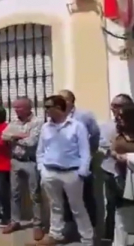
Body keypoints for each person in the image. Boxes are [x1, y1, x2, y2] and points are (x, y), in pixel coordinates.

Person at [35, 95, 93, 246]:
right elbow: (40, 150)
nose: (46, 110)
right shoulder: (46, 127)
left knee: (77, 207)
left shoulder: (77, 126)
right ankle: (55, 234)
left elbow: (85, 151)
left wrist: (81, 172)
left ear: (59, 108)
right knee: (55, 205)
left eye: (49, 107)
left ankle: (87, 239)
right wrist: (42, 168)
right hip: (50, 171)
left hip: (71, 173)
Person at [1, 96, 44, 241]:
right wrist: (18, 135)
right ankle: (15, 221)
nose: (16, 110)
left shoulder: (37, 122)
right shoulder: (14, 121)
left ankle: (38, 224)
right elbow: (3, 136)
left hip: (30, 161)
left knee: (35, 195)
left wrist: (13, 137)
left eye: (19, 107)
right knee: (15, 193)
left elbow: (32, 141)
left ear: (28, 108)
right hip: (15, 160)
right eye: (15, 107)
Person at [58, 89, 100, 231]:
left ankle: (91, 230)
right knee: (65, 197)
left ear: (70, 101)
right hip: (63, 163)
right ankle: (70, 228)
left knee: (86, 196)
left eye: (62, 99)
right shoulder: (57, 117)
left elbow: (95, 135)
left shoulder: (84, 116)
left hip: (81, 163)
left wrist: (88, 155)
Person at [99, 94, 133, 242]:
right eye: (112, 105)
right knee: (115, 206)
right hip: (112, 172)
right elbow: (105, 145)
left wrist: (126, 157)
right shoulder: (111, 127)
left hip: (130, 175)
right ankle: (112, 237)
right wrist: (113, 153)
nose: (113, 109)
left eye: (117, 106)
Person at [109, 104, 134, 246]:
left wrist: (127, 157)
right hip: (121, 180)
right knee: (121, 217)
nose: (119, 119)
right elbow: (112, 149)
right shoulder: (118, 134)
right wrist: (115, 155)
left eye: (123, 117)